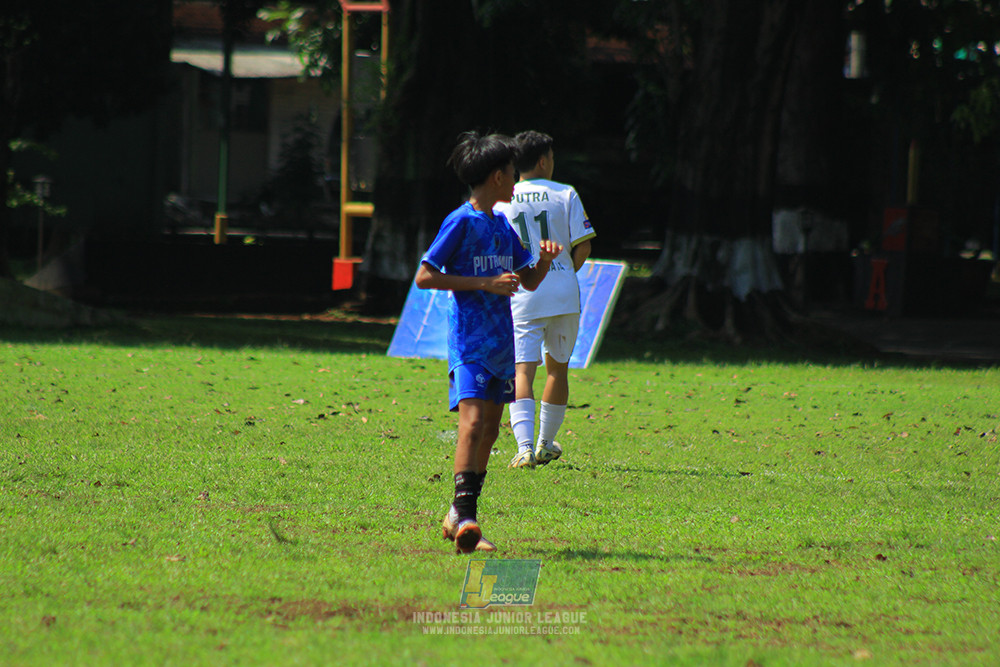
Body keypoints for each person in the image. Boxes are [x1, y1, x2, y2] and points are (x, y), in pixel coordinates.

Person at [416, 130, 563, 554]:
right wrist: (484, 282)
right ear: (498, 176)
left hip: (503, 346)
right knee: (474, 424)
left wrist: (543, 262)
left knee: (492, 431)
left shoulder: (502, 226)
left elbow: (525, 281)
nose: (517, 182)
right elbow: (426, 276)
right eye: (513, 174)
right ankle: (465, 517)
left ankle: (458, 514)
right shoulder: (461, 221)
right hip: (470, 344)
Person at [494, 131, 595, 469]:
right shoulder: (566, 193)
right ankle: (545, 443)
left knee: (522, 369)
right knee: (557, 369)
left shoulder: (503, 198)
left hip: (523, 292)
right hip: (563, 292)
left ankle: (523, 447)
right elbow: (583, 246)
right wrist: (565, 271)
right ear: (542, 160)